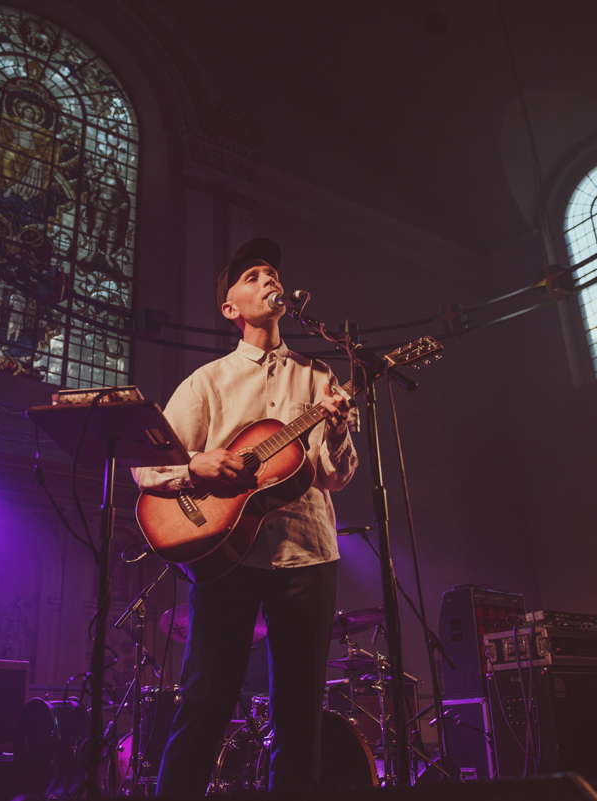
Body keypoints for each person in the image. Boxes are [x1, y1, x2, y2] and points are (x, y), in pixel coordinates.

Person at [133, 237, 357, 794]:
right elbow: (145, 468)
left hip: (308, 553)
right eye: (253, 275)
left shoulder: (320, 377)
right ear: (230, 308)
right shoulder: (209, 382)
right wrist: (195, 467)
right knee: (206, 698)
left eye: (271, 273)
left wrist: (338, 428)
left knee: (301, 709)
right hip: (226, 556)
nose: (268, 279)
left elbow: (335, 476)